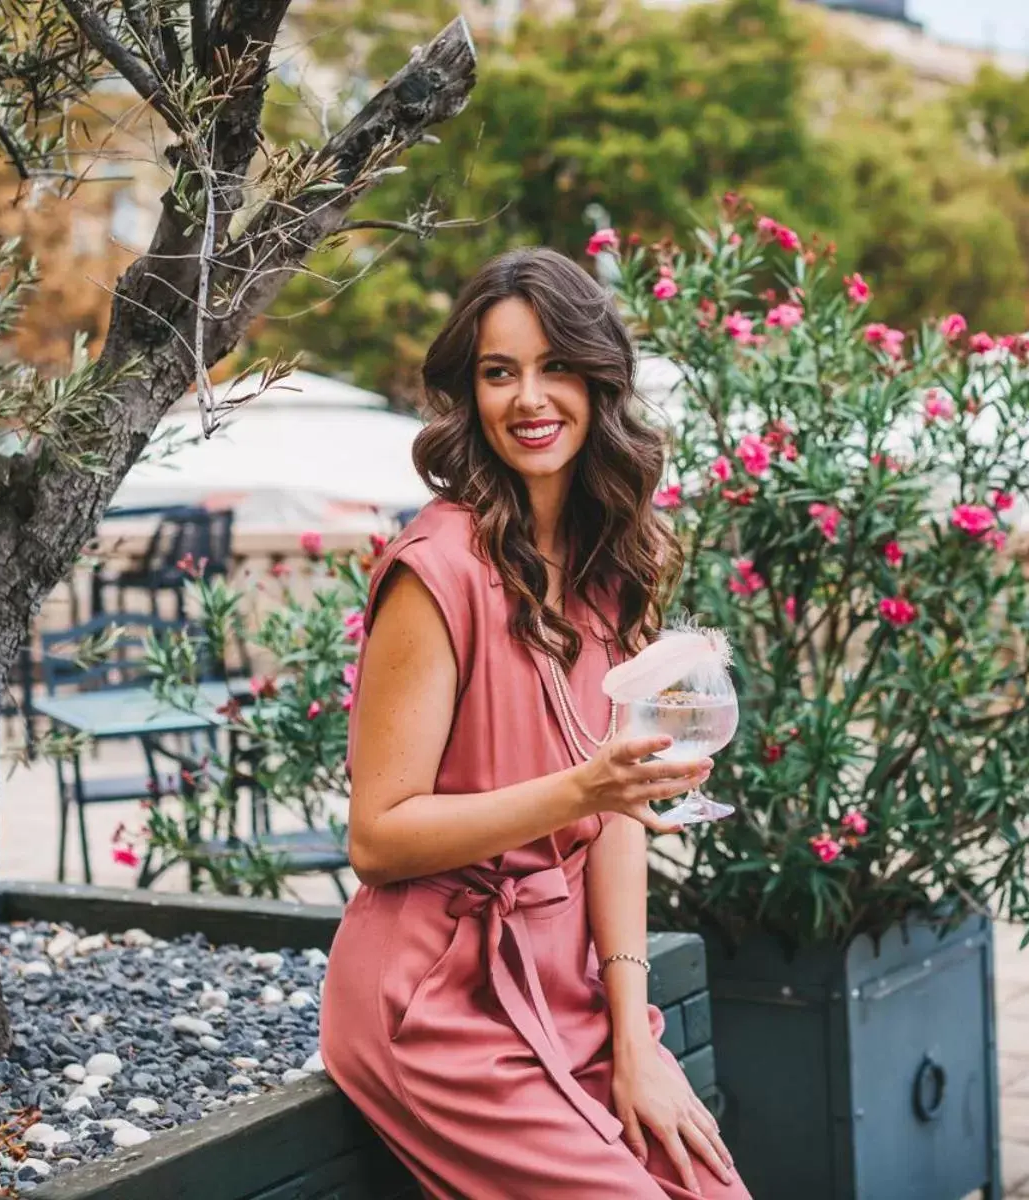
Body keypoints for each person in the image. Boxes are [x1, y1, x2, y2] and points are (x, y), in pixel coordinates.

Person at [320, 247, 751, 1200]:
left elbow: (616, 828)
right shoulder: (436, 573)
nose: (530, 396)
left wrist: (636, 1037)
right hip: (434, 1002)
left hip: (574, 991)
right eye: (498, 371)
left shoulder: (605, 563)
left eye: (556, 365)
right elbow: (379, 838)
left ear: (598, 381)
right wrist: (584, 790)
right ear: (468, 393)